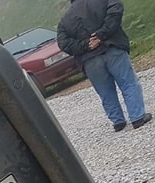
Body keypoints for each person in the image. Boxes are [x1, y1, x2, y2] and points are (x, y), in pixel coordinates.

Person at [56, 0, 151, 132]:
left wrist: (85, 45)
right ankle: (137, 117)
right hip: (112, 48)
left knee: (105, 92)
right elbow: (116, 10)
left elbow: (63, 43)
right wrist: (102, 34)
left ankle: (118, 121)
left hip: (89, 60)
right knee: (128, 83)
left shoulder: (65, 20)